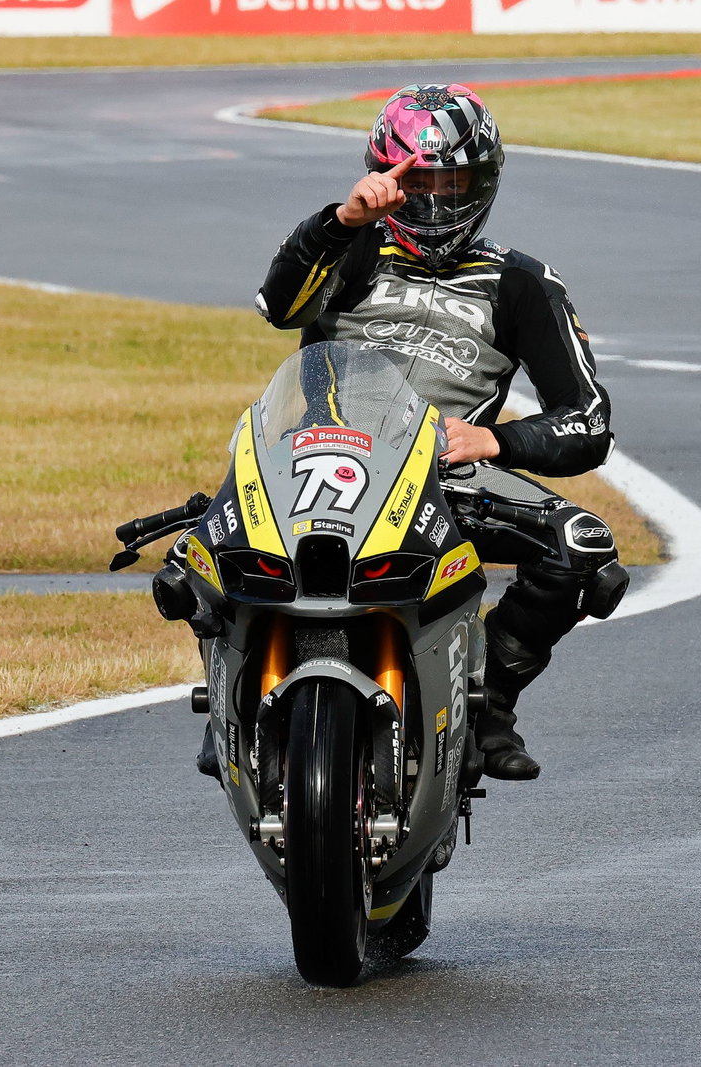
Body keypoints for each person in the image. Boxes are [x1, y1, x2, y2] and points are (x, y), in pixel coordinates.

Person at [253, 83, 629, 781]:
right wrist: (342, 220)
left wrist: (499, 441)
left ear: (483, 183)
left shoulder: (520, 282)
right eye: (417, 181)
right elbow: (278, 305)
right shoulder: (347, 250)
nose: (435, 199)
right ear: (382, 172)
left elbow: (590, 419)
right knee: (197, 555)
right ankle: (239, 704)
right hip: (315, 457)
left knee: (582, 546)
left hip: (444, 476)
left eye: (452, 181)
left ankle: (488, 703)